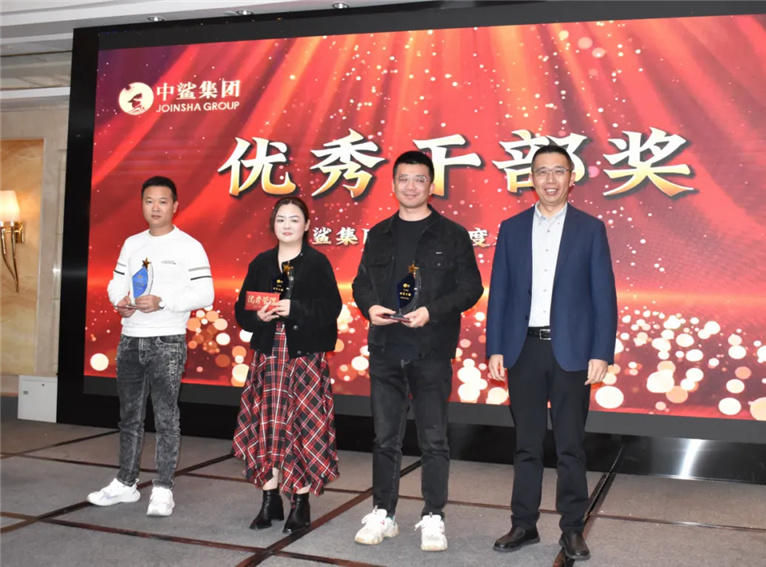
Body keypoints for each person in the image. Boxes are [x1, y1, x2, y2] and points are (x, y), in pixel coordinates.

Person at [486, 144, 617, 561]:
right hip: (522, 349)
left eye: (558, 171)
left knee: (569, 446)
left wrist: (601, 352)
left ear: (571, 179)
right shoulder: (511, 228)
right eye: (542, 171)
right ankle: (523, 524)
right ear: (531, 178)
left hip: (572, 352)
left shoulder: (589, 229)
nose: (550, 179)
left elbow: (604, 296)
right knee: (526, 444)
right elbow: (500, 293)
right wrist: (495, 347)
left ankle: (572, 528)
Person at [351, 150, 483, 552]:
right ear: (393, 185)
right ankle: (384, 513)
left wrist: (431, 311)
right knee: (384, 439)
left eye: (419, 179)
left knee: (434, 440)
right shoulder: (379, 233)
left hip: (431, 350)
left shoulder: (452, 234)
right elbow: (361, 284)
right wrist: (370, 308)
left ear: (431, 186)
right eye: (404, 179)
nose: (411, 186)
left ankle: (433, 516)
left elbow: (471, 288)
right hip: (386, 349)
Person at [88, 176, 214, 517]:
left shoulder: (189, 245)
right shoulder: (132, 244)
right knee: (129, 416)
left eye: (162, 201)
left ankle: (163, 488)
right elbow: (116, 282)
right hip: (130, 339)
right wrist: (120, 301)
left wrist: (163, 301)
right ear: (142, 204)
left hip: (167, 340)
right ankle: (126, 483)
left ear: (175, 206)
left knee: (166, 417)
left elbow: (205, 293)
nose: (155, 207)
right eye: (149, 201)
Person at [232, 196, 342, 534]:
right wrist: (259, 317)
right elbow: (242, 311)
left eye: (294, 219)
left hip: (303, 358)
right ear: (273, 224)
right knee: (268, 427)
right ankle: (270, 500)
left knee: (302, 428)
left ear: (306, 225)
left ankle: (300, 501)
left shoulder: (317, 262)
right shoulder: (262, 262)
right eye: (281, 219)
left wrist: (295, 309)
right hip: (268, 356)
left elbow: (331, 308)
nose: (287, 225)